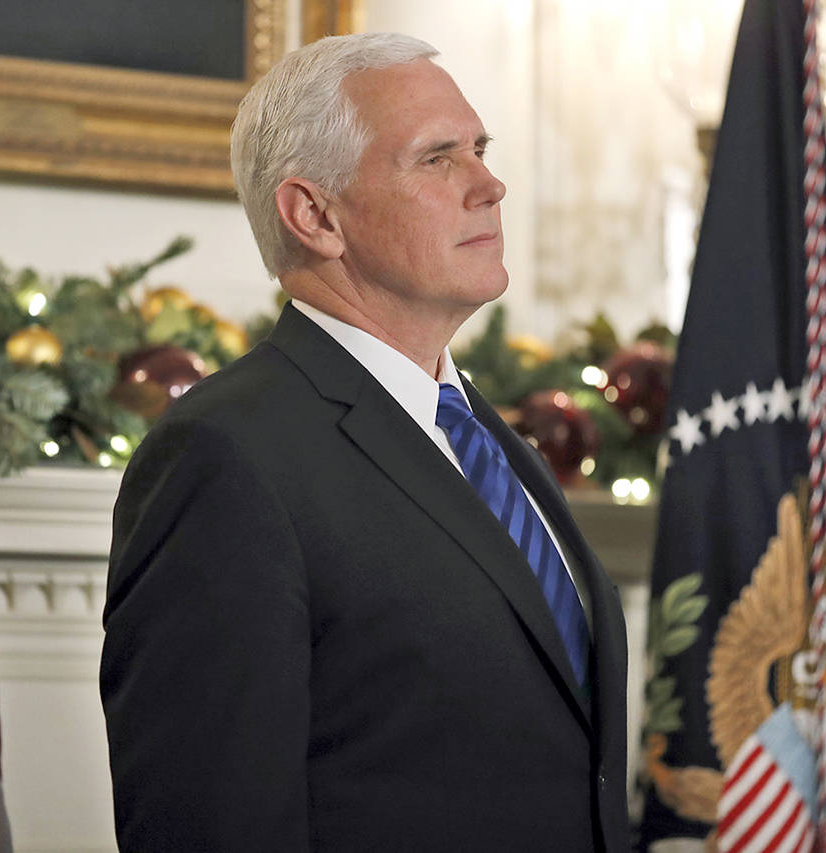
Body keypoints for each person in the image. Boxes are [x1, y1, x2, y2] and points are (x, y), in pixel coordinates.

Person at [100, 32, 628, 852]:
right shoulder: (225, 457)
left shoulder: (480, 428)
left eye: (480, 149)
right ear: (315, 215)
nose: (490, 184)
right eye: (437, 158)